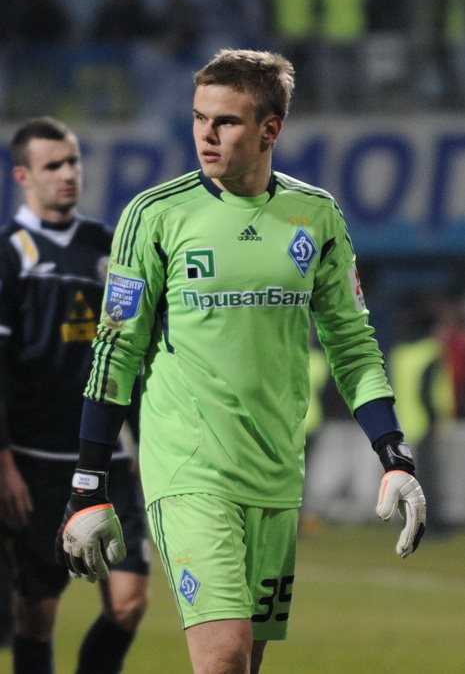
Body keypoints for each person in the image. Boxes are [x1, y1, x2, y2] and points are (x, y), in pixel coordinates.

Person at [56, 50, 426, 674]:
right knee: (223, 657)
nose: (205, 134)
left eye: (225, 121)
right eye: (199, 117)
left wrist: (394, 454)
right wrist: (89, 484)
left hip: (276, 475)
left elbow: (352, 344)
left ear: (269, 129)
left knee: (244, 665)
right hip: (190, 471)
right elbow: (115, 351)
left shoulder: (315, 216)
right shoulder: (155, 216)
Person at [0, 116, 150, 674]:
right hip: (34, 462)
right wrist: (4, 463)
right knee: (36, 616)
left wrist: (144, 441)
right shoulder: (9, 255)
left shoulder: (106, 247)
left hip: (106, 455)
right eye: (53, 165)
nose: (68, 174)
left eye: (73, 162)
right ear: (23, 176)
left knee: (129, 603)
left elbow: (132, 353)